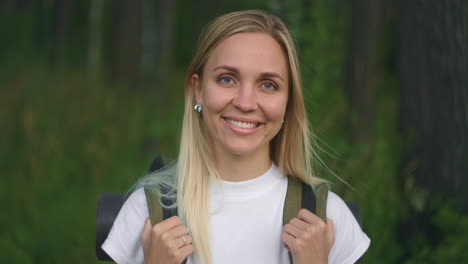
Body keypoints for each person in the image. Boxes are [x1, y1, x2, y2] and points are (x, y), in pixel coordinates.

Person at [102, 10, 370, 264]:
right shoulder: (149, 212)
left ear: (288, 102)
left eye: (268, 85)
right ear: (198, 90)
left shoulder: (325, 217)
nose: (245, 102)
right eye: (227, 79)